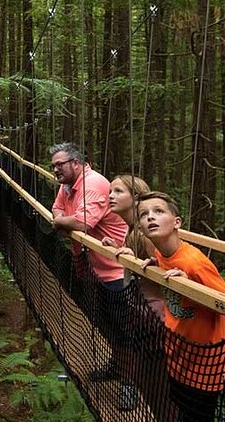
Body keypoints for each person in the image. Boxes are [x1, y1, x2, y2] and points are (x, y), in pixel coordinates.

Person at [138, 191, 225, 421]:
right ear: (140, 228)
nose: (150, 217)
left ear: (177, 222)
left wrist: (191, 288)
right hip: (178, 354)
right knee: (182, 410)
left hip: (206, 363)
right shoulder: (160, 252)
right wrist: (157, 267)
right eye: (144, 214)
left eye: (158, 211)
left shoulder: (194, 263)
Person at [50, 142, 128, 289]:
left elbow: (82, 223)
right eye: (53, 166)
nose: (55, 170)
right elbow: (57, 207)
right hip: (92, 269)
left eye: (59, 165)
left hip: (113, 272)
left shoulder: (92, 184)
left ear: (75, 163)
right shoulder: (67, 184)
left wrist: (59, 222)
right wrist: (62, 220)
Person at [103, 175, 164, 320]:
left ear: (136, 198)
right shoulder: (133, 229)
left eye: (118, 191)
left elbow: (163, 268)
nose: (111, 196)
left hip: (155, 312)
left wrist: (133, 259)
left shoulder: (145, 234)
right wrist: (119, 249)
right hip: (140, 306)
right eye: (110, 191)